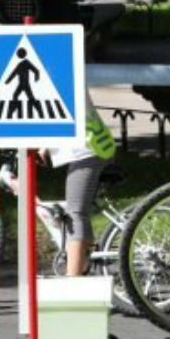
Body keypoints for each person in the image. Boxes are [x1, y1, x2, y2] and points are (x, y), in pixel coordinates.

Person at [47, 99, 117, 276]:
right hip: (92, 143)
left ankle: (73, 280)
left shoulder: (56, 74)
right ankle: (83, 260)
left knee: (75, 214)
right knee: (77, 211)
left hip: (87, 149)